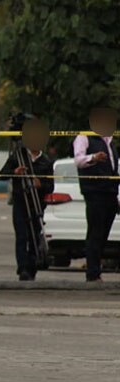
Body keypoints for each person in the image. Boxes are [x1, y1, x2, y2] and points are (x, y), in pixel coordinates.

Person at [0, 118, 53, 281]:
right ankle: (22, 268)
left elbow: (50, 186)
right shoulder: (18, 156)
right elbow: (1, 175)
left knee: (34, 236)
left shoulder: (46, 162)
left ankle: (32, 266)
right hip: (21, 203)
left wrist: (40, 184)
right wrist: (15, 172)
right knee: (21, 236)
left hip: (37, 205)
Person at [73, 107, 119, 282]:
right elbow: (78, 160)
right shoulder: (84, 137)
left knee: (103, 233)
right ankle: (92, 273)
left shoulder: (110, 141)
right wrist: (93, 157)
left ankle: (96, 267)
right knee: (95, 232)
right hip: (95, 191)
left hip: (110, 192)